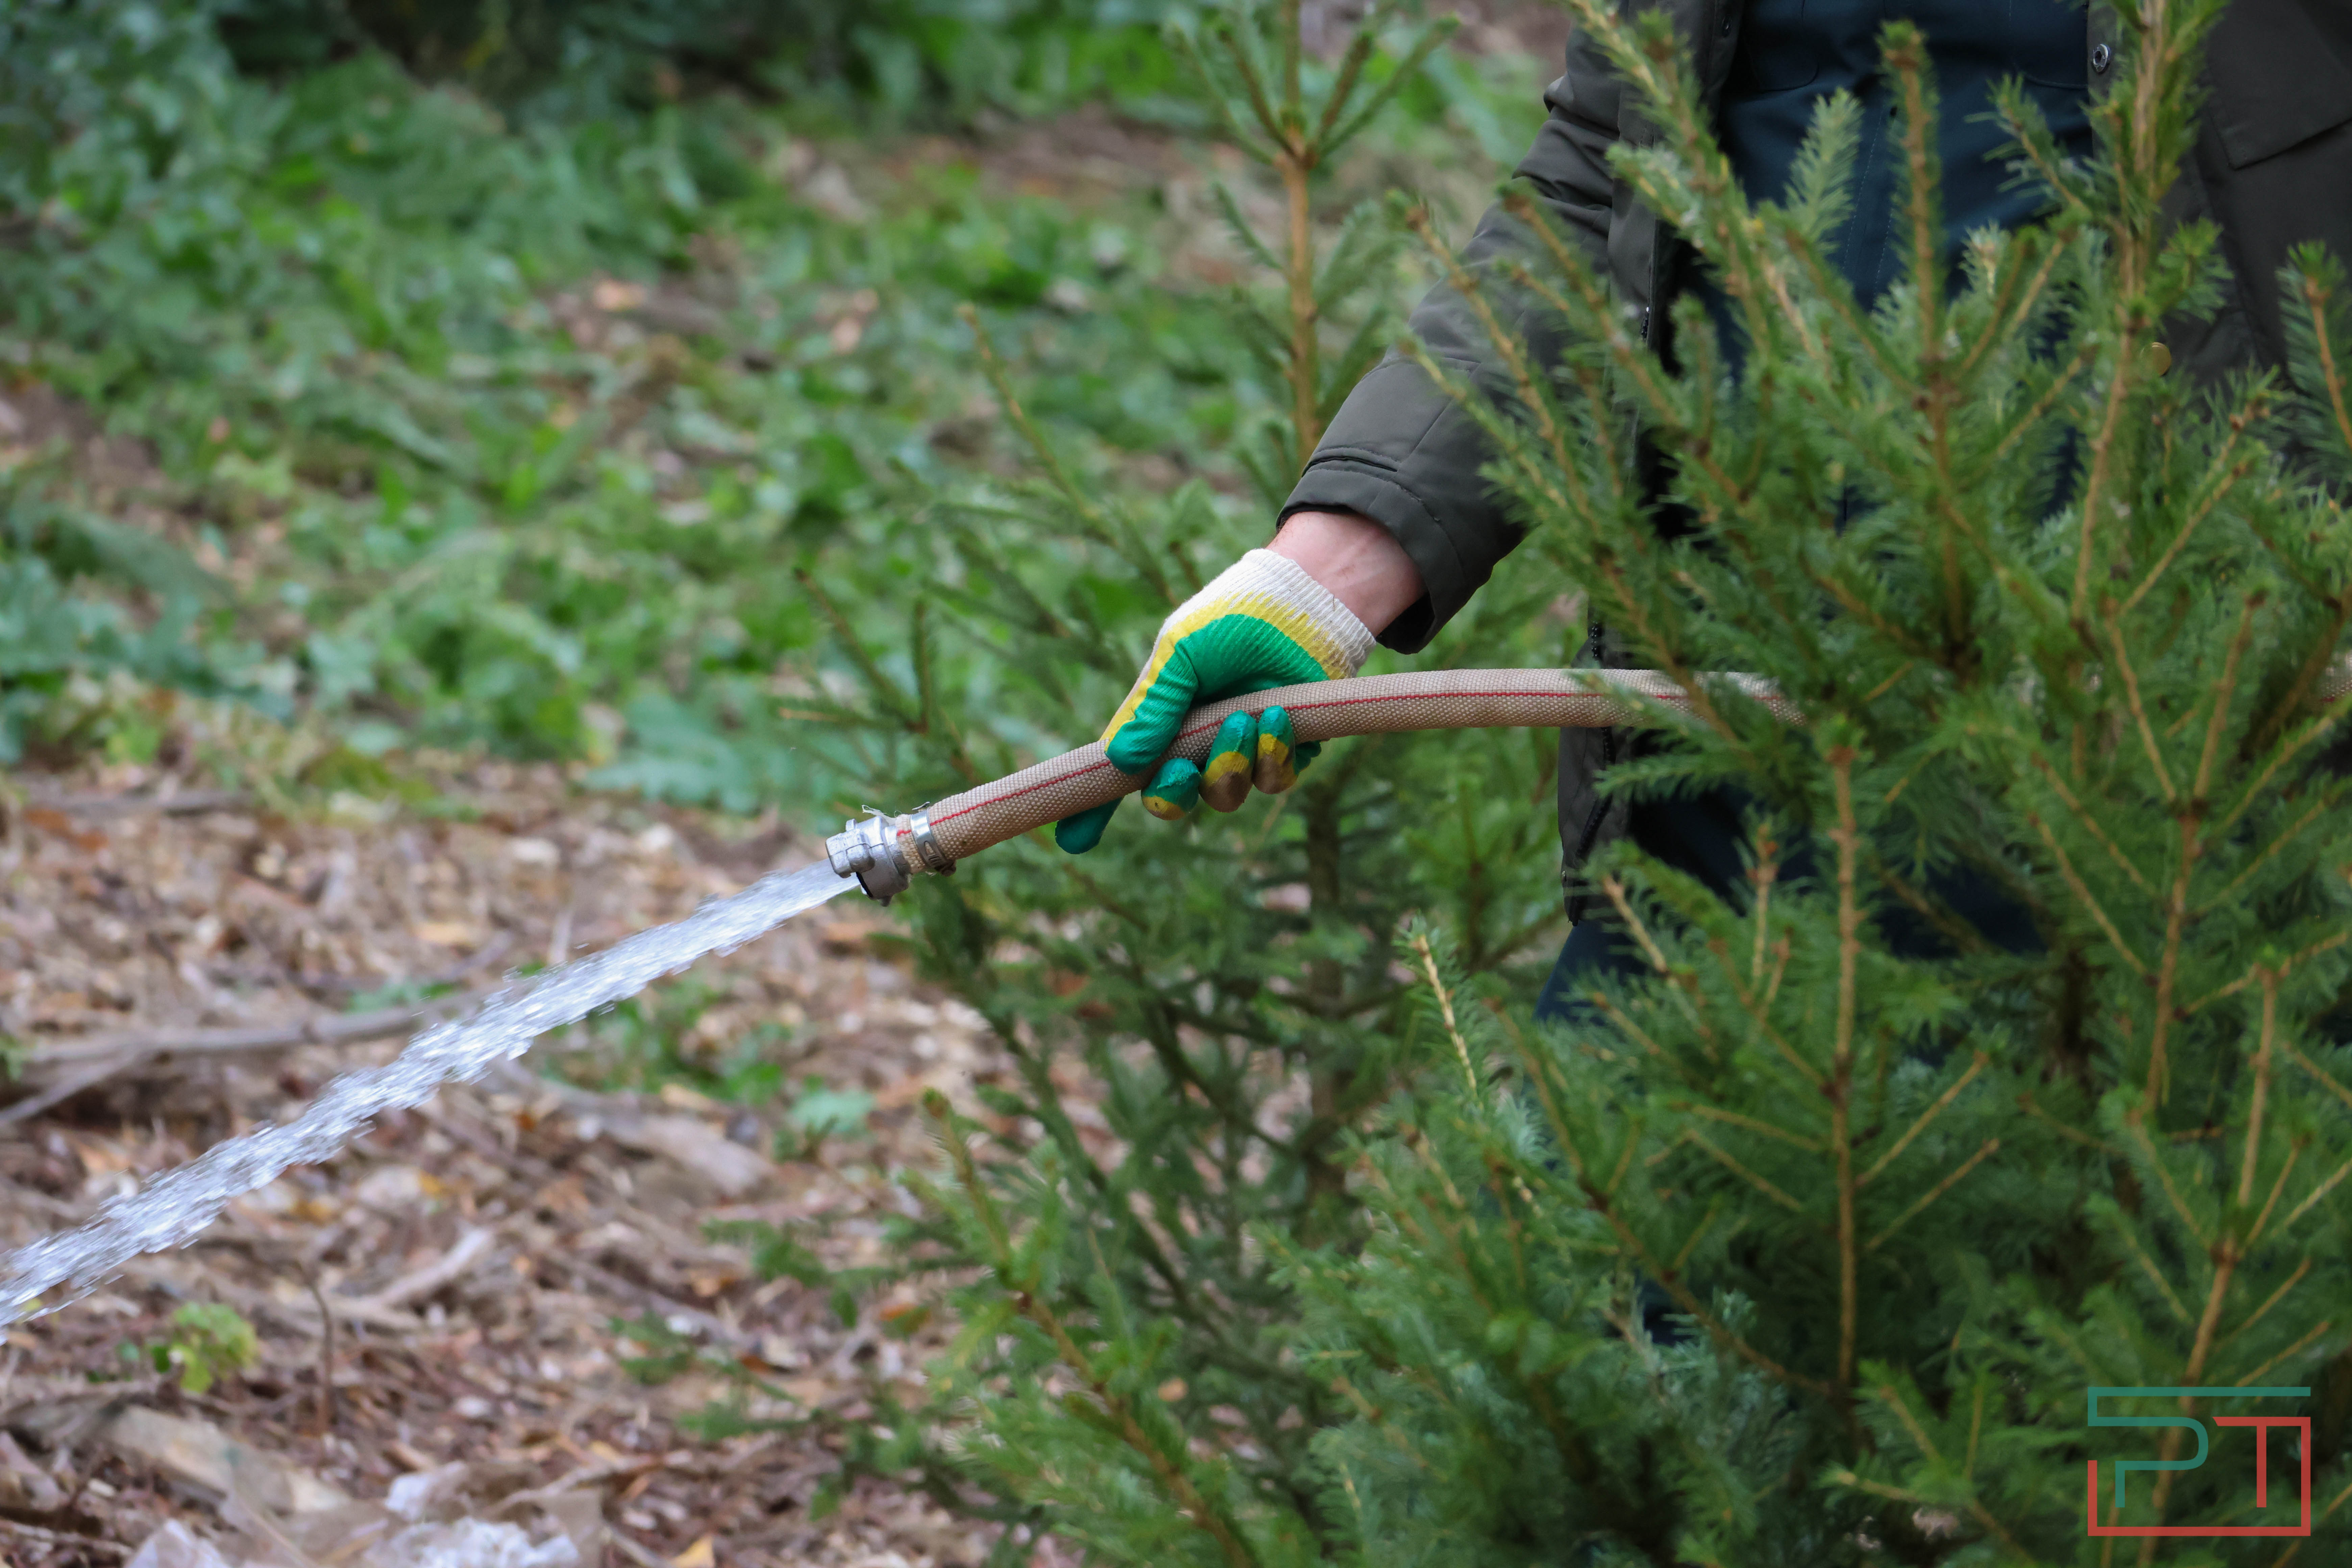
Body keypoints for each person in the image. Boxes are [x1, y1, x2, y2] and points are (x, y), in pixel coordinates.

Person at [1052, 0, 2352, 1016]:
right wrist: (1329, 568)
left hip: (2197, 821)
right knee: (1664, 1333)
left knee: (2150, 1356)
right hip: (1731, 781)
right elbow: (1610, 169)